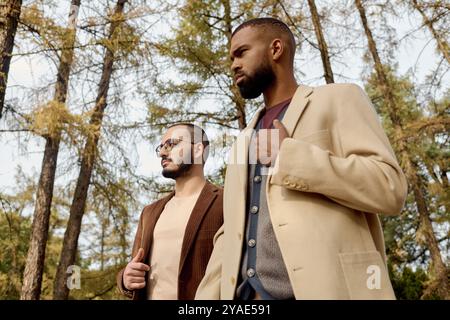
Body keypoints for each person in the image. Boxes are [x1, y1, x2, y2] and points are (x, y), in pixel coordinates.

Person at [195, 17, 408, 300]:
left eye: (241, 52)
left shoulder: (338, 98)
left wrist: (292, 158)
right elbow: (232, 231)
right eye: (231, 57)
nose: (233, 64)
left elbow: (389, 187)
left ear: (276, 49)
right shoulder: (242, 142)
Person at [117, 123, 223, 299]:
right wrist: (125, 279)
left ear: (197, 150)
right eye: (161, 147)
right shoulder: (149, 212)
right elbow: (133, 269)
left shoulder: (226, 202)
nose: (162, 153)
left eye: (171, 144)